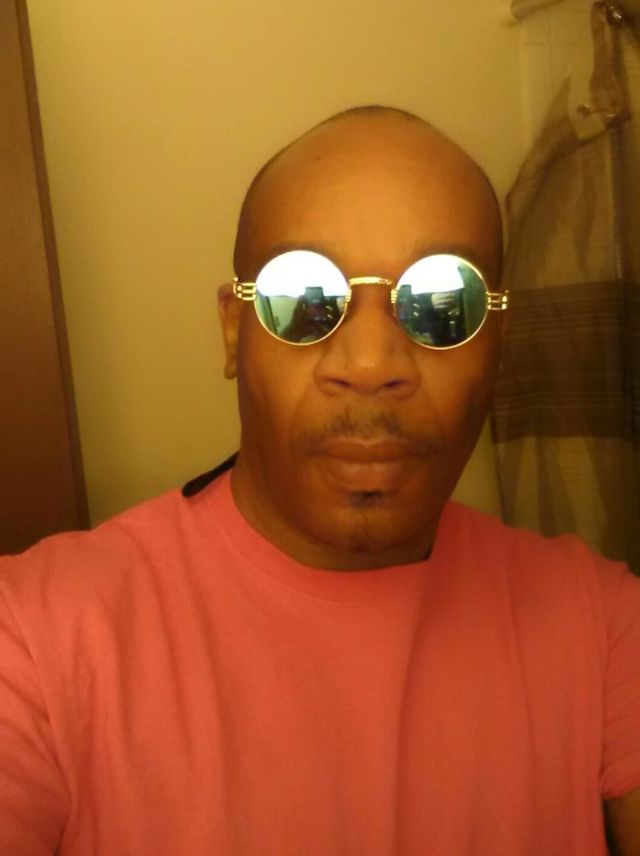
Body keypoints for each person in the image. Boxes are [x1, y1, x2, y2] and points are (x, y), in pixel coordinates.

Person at [1, 106, 639, 856]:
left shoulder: (604, 626)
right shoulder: (35, 639)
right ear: (234, 331)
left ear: (496, 343)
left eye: (443, 304)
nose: (369, 365)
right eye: (303, 298)